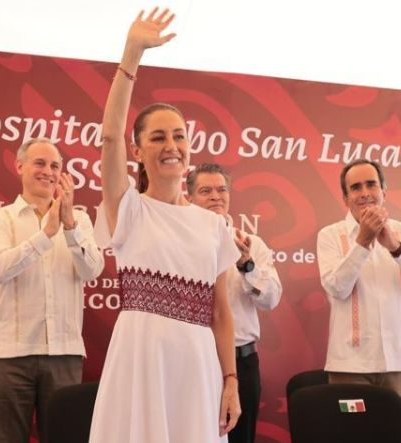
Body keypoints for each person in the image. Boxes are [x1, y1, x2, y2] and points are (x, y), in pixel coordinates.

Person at [88, 8, 241, 442]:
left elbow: (220, 312)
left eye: (179, 136)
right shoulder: (129, 209)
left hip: (197, 366)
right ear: (138, 150)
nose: (171, 145)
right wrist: (131, 55)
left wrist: (230, 380)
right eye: (158, 137)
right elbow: (109, 136)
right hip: (140, 361)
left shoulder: (213, 226)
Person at [0, 137, 103, 443]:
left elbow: (93, 270)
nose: (48, 171)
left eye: (55, 166)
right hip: (11, 355)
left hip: (65, 353)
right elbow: (1, 267)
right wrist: (47, 233)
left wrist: (69, 225)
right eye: (40, 163)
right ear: (19, 166)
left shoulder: (81, 220)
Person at [187, 163, 283, 443]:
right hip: (194, 358)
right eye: (206, 191)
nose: (216, 196)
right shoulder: (179, 244)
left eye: (222, 190)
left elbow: (272, 298)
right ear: (190, 197)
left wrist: (247, 265)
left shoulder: (251, 243)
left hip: (242, 362)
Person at [315, 158, 401, 401]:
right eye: (356, 188)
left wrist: (395, 247)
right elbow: (337, 288)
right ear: (346, 197)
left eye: (371, 185)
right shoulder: (330, 235)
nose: (365, 194)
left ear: (384, 191)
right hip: (350, 364)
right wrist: (362, 241)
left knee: (392, 434)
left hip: (397, 360)